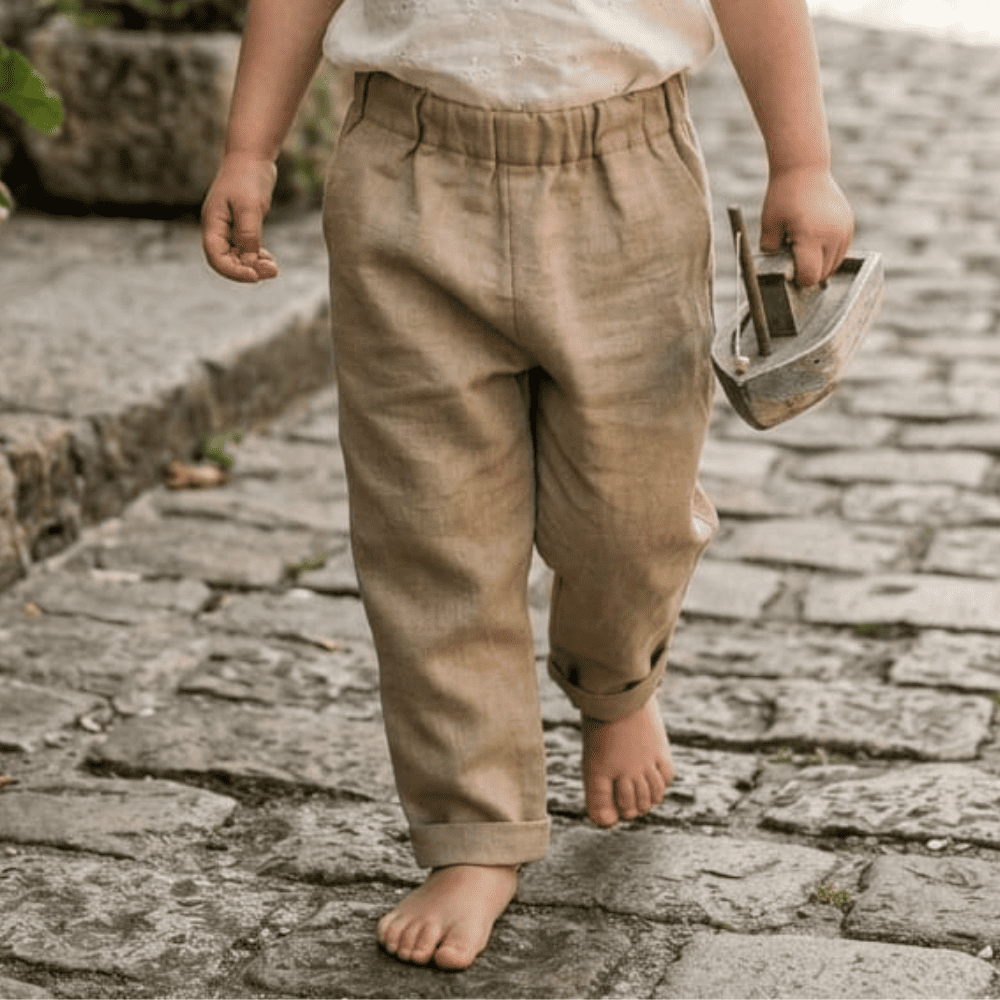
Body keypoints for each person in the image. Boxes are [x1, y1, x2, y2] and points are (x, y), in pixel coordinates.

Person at [202, 0, 854, 972]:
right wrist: (250, 144)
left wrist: (800, 162)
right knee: (430, 529)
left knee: (630, 515)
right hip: (404, 175)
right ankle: (472, 830)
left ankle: (615, 676)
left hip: (625, 178)